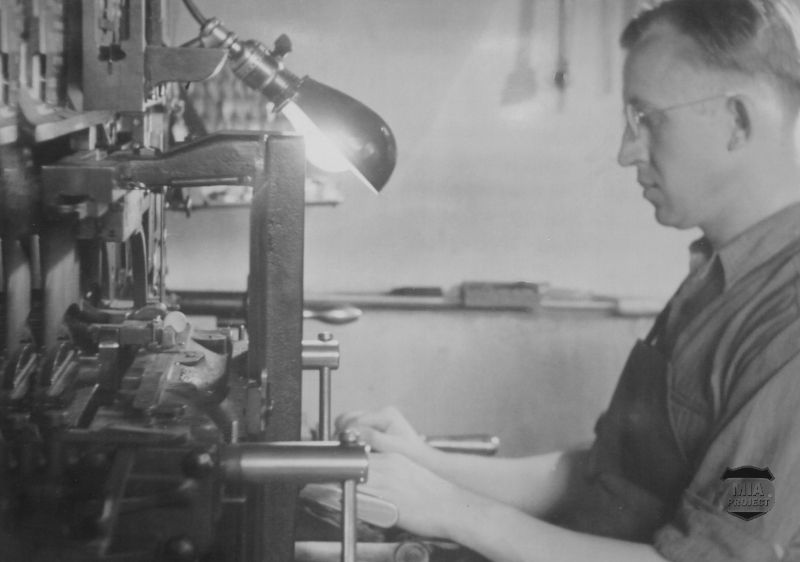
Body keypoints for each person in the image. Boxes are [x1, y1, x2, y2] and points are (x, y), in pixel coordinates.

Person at [337, 1, 800, 560]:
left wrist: (451, 509)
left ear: (737, 121)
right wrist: (423, 463)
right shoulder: (719, 279)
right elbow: (602, 477)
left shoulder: (787, 323)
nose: (625, 152)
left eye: (647, 119)